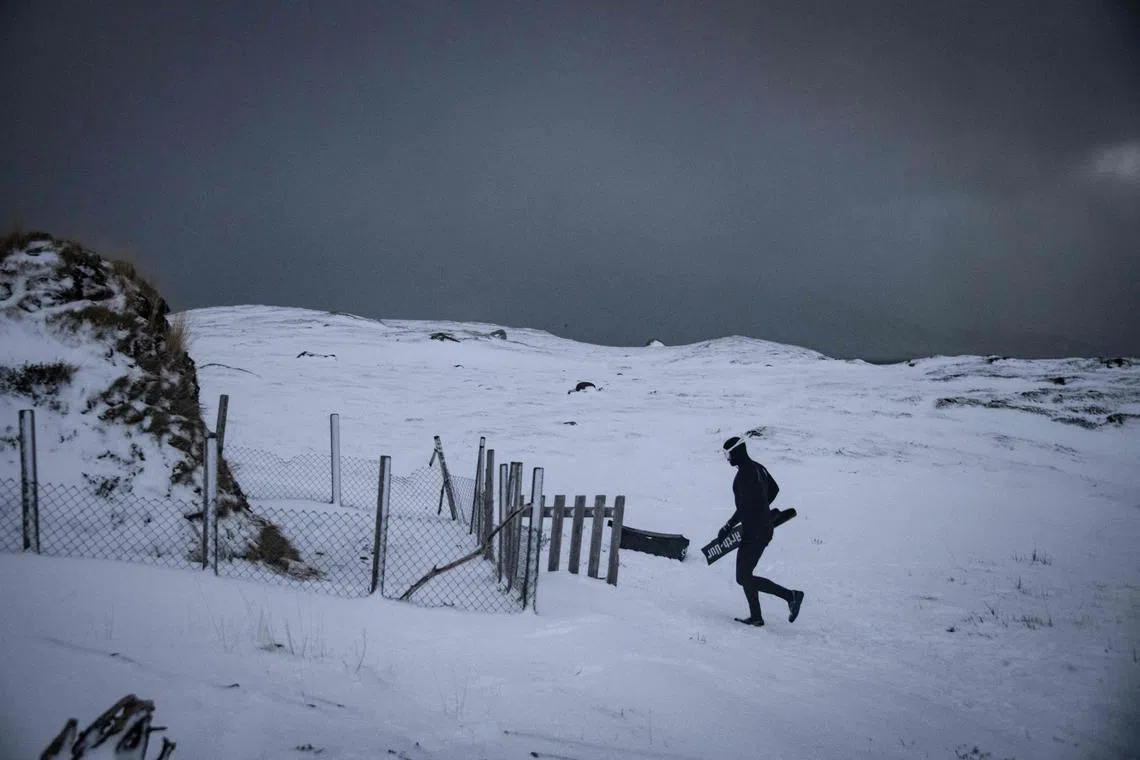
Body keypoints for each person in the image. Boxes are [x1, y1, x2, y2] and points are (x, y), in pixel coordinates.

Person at [717, 436, 804, 626]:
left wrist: (728, 526)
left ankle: (791, 596)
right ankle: (756, 616)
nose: (727, 458)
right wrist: (762, 509)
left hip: (754, 531)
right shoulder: (758, 467)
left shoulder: (744, 474)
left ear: (737, 451)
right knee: (746, 575)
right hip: (761, 528)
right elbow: (774, 489)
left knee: (743, 577)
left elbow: (745, 506)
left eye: (728, 454)